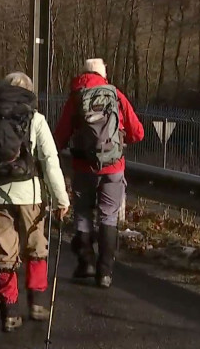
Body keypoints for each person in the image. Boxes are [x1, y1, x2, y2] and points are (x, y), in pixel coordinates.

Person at [0, 72, 70, 333]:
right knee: (36, 247)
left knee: (4, 254)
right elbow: (50, 161)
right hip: (31, 196)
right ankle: (37, 303)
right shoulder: (36, 119)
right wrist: (61, 199)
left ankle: (9, 312)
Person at [54, 58, 144, 289]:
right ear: (104, 75)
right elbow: (138, 133)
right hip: (113, 167)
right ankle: (105, 273)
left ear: (83, 73)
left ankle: (86, 264)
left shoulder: (76, 97)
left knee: (83, 213)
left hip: (84, 166)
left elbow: (61, 134)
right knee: (108, 216)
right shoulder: (115, 95)